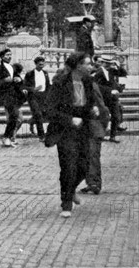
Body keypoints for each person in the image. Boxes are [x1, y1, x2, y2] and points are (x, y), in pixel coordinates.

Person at [45, 52, 98, 218]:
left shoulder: (87, 81)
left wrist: (92, 109)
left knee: (84, 166)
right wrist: (69, 120)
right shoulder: (61, 83)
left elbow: (88, 103)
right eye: (88, 64)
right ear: (78, 66)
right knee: (68, 166)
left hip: (83, 128)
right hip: (65, 130)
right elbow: (50, 110)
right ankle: (66, 202)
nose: (91, 67)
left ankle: (71, 189)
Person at [80, 82, 110, 195]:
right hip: (84, 129)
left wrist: (102, 126)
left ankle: (94, 183)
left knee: (92, 156)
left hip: (93, 129)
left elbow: (103, 109)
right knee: (86, 156)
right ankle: (91, 182)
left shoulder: (91, 86)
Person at [0, 49, 25, 148]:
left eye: (10, 55)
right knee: (14, 114)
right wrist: (3, 81)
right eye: (7, 55)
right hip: (5, 95)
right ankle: (7, 137)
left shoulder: (12, 68)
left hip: (14, 95)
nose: (9, 57)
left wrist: (19, 79)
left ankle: (8, 137)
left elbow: (19, 79)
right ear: (2, 57)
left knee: (13, 117)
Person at [93, 55, 123, 143]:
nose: (109, 65)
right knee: (103, 117)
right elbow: (96, 85)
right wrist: (110, 91)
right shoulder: (98, 72)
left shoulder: (112, 71)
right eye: (107, 63)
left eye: (110, 63)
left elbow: (123, 73)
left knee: (116, 117)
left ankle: (112, 136)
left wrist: (118, 65)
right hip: (104, 98)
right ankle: (100, 135)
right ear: (102, 63)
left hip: (113, 99)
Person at [23, 56, 51, 141]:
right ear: (36, 64)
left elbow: (48, 85)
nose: (41, 66)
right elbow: (24, 86)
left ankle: (31, 121)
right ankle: (41, 136)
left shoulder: (45, 73)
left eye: (43, 64)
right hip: (33, 97)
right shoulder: (30, 74)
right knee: (38, 114)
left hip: (43, 96)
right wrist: (33, 89)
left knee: (43, 114)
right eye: (39, 64)